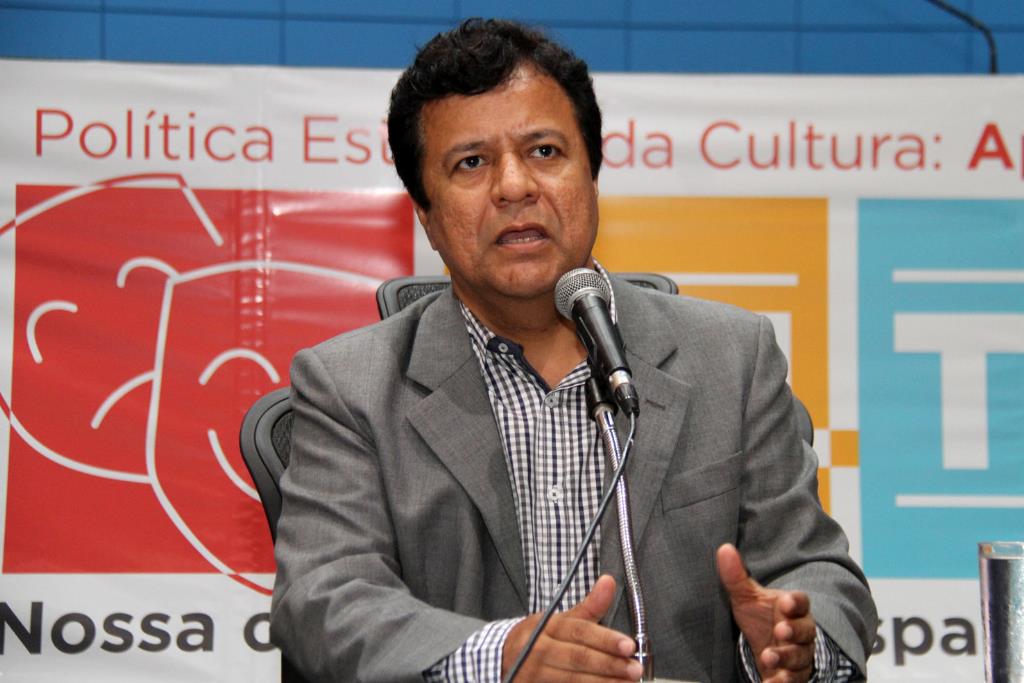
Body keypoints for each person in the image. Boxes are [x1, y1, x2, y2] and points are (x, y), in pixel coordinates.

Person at [270, 18, 877, 683]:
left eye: (544, 151)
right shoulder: (350, 386)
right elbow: (324, 601)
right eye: (471, 163)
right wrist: (499, 656)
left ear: (591, 176)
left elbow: (815, 569)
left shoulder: (731, 358)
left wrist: (796, 642)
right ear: (427, 215)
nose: (514, 186)